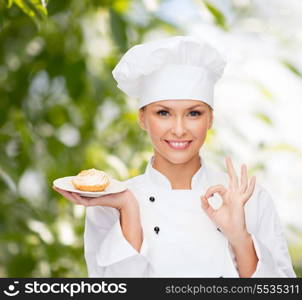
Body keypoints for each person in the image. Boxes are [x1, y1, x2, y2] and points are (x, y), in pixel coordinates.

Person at [53, 36, 296, 277]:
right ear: (142, 118)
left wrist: (239, 237)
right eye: (163, 113)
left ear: (210, 119)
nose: (179, 129)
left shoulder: (251, 201)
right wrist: (129, 208)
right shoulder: (110, 205)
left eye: (193, 113)